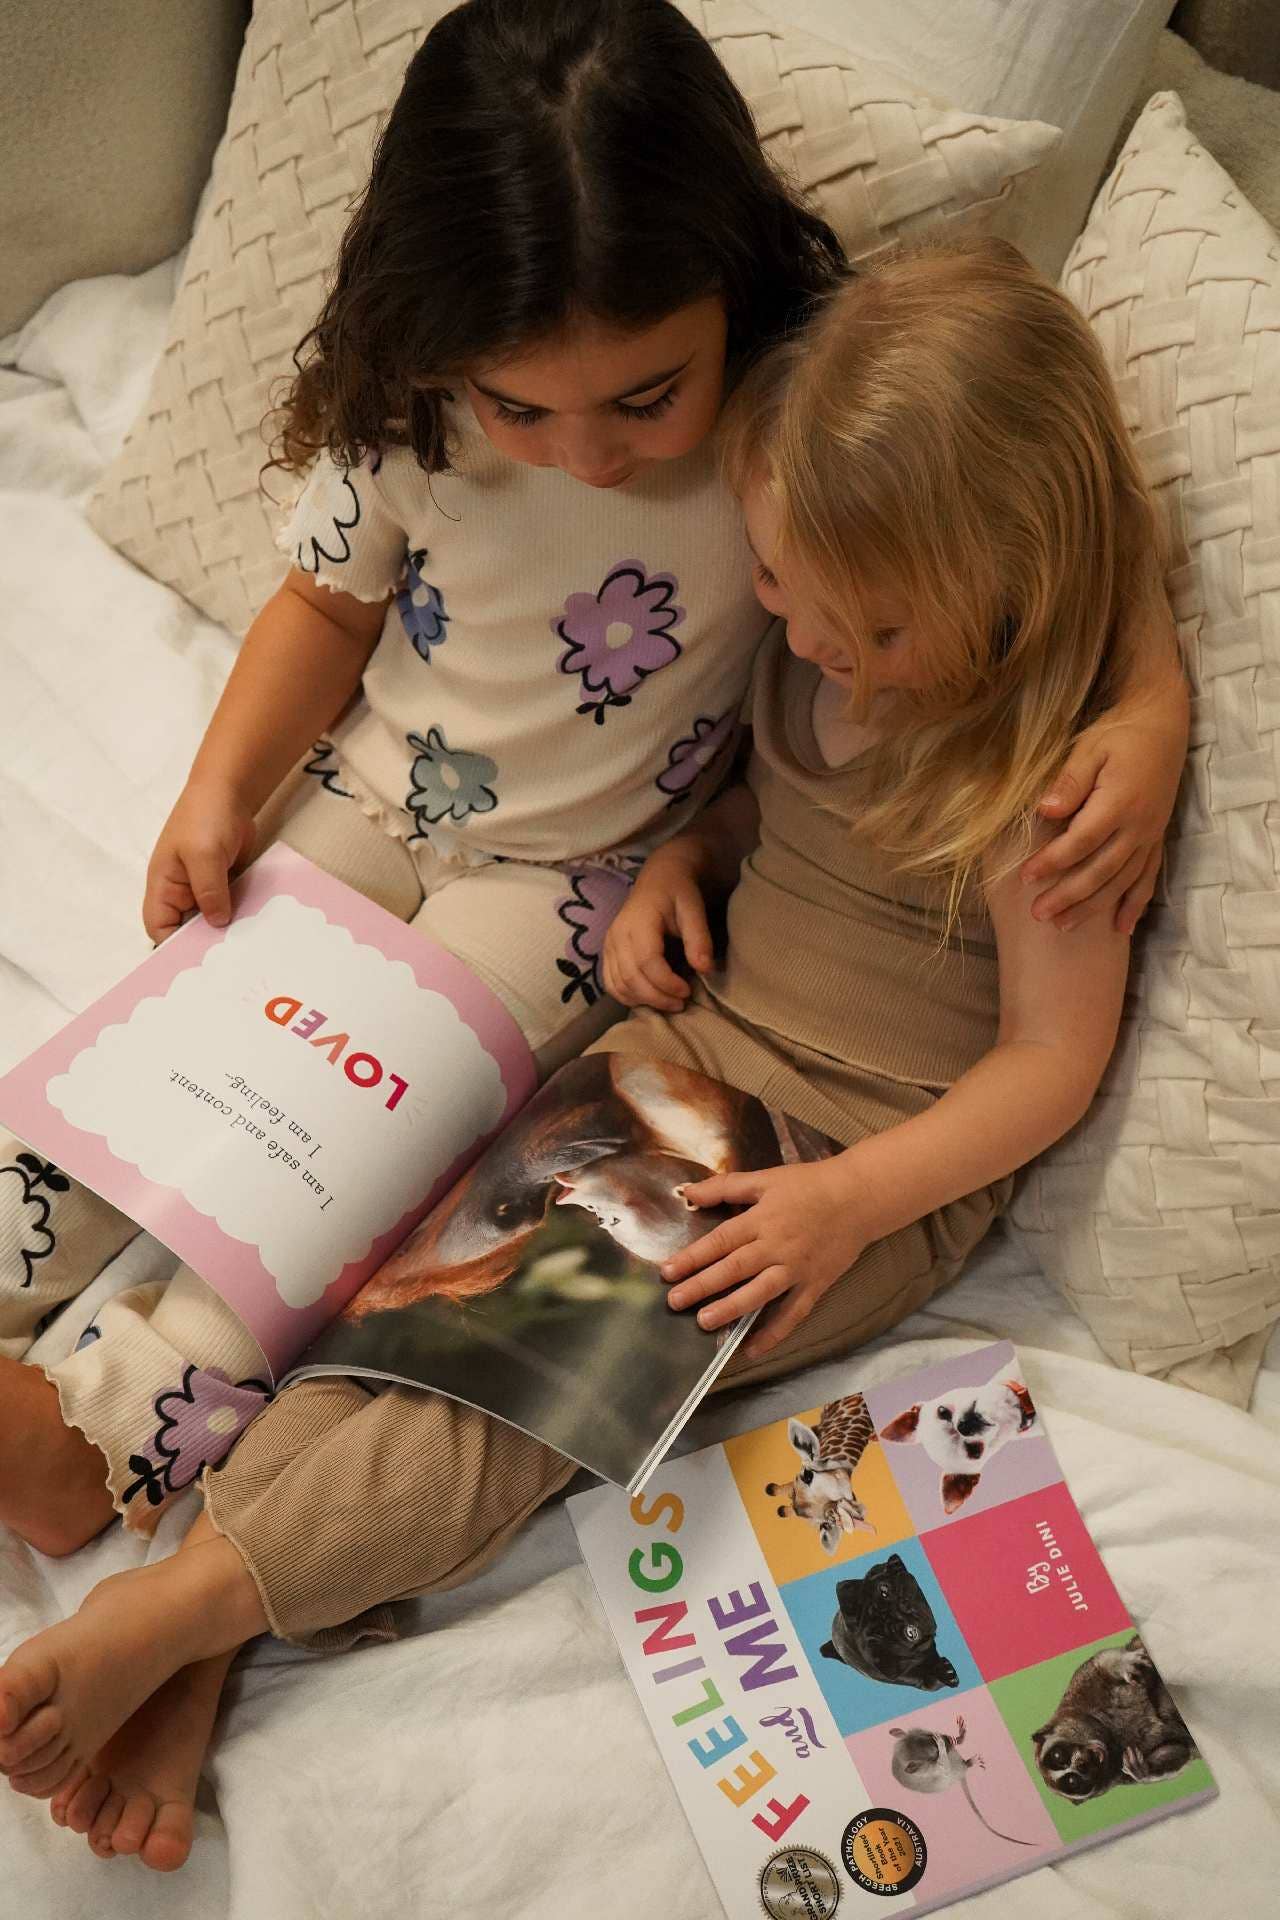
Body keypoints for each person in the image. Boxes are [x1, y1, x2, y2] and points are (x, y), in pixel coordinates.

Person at [1, 235, 1177, 1873]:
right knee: (403, 1279)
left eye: (875, 635)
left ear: (1010, 590)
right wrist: (696, 865)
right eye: (788, 600)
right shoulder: (825, 627)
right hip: (687, 1040)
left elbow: (1050, 1063)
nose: (824, 653)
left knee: (521, 1380)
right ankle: (225, 1622)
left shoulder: (1042, 784)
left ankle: (182, 1600)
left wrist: (843, 1204)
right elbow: (779, 804)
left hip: (852, 1156)